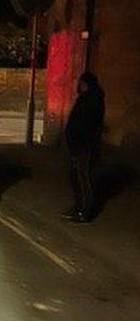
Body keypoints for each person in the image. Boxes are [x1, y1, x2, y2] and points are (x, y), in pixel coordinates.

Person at [63, 72, 105, 223]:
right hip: (78, 145)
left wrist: (78, 144)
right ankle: (78, 206)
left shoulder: (92, 99)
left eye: (80, 83)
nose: (78, 85)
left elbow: (85, 125)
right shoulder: (86, 98)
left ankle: (84, 211)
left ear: (86, 83)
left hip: (84, 146)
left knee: (83, 178)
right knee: (75, 177)